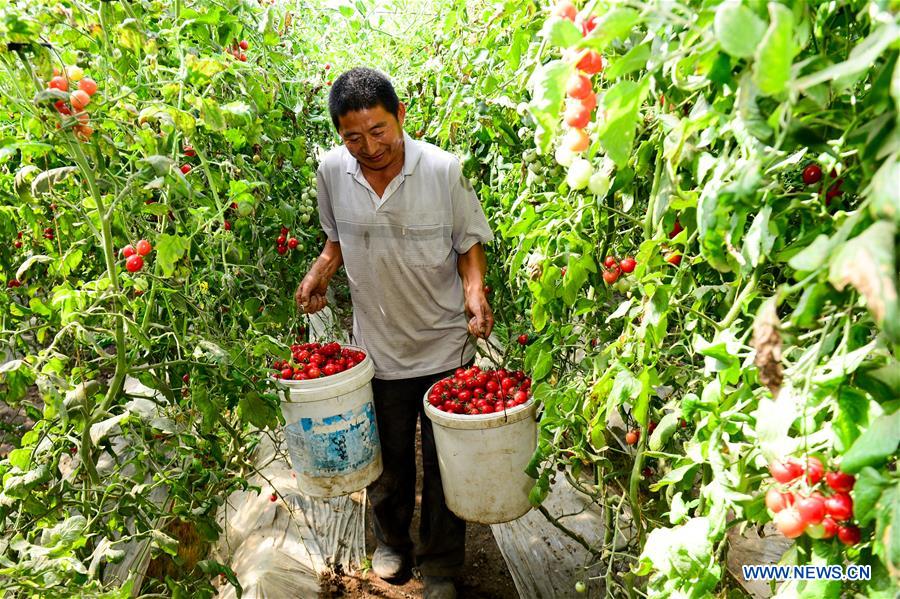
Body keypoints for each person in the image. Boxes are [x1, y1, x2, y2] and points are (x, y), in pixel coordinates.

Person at [294, 67, 494, 599]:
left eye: (379, 130)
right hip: (376, 349)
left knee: (446, 466)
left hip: (444, 346)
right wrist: (319, 272)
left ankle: (444, 565)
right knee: (386, 462)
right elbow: (335, 241)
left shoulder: (442, 172)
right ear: (339, 136)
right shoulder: (333, 172)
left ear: (401, 115)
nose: (369, 147)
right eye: (353, 137)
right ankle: (393, 544)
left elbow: (469, 243)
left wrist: (475, 294)